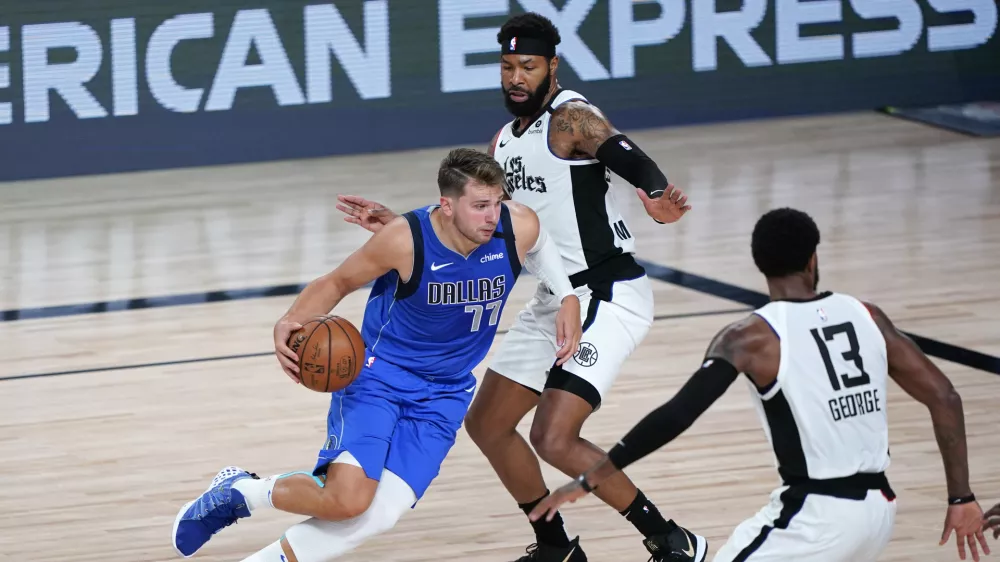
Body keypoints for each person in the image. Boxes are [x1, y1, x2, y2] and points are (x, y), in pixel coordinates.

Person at [333, 12, 706, 562]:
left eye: (527, 66)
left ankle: (672, 540)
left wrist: (653, 192)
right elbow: (482, 219)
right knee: (487, 423)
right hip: (552, 298)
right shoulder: (505, 142)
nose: (515, 77)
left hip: (606, 293)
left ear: (551, 67)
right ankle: (556, 548)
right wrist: (404, 229)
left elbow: (621, 149)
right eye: (507, 67)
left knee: (553, 436)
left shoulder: (571, 118)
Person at [171, 148, 583, 562]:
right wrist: (291, 319)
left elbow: (541, 242)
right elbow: (337, 282)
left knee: (379, 515)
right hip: (379, 379)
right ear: (447, 205)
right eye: (479, 206)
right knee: (348, 500)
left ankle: (249, 521)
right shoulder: (405, 240)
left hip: (446, 393)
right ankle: (242, 491)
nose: (492, 216)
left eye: (496, 202)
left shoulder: (517, 224)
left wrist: (565, 295)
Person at [529, 207, 993, 562]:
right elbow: (945, 396)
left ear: (759, 266)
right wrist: (960, 496)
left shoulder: (750, 337)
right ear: (813, 258)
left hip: (815, 516)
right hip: (880, 510)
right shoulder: (867, 315)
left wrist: (596, 475)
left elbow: (677, 415)